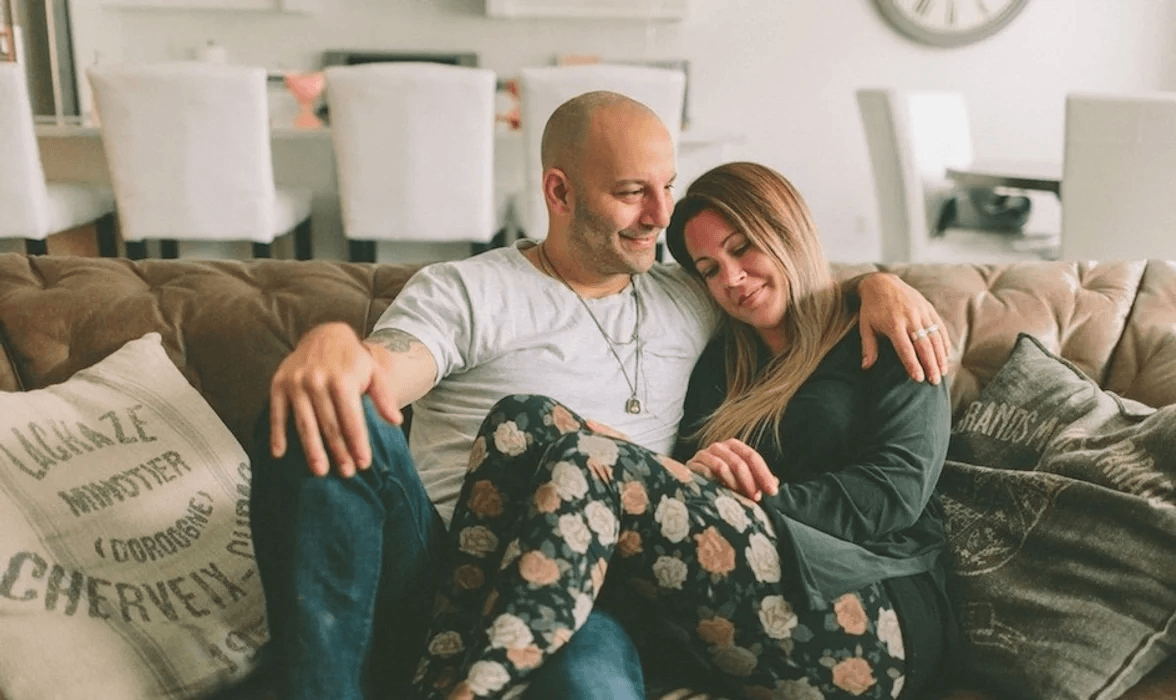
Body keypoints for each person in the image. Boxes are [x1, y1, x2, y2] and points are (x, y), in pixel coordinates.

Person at [251, 92, 953, 700]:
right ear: (560, 194)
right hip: (435, 562)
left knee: (587, 675)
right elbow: (384, 372)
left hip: (600, 582)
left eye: (665, 188)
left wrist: (881, 286)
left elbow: (789, 278)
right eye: (629, 193)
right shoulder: (468, 289)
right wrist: (335, 344)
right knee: (338, 408)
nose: (658, 217)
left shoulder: (690, 295)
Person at [403, 161, 957, 700]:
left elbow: (895, 492)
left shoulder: (888, 332)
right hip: (745, 591)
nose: (732, 279)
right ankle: (438, 681)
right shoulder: (721, 362)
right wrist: (700, 482)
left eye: (742, 248)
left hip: (869, 608)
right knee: (521, 421)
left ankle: (478, 689)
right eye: (709, 268)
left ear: (788, 230)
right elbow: (689, 492)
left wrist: (756, 505)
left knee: (594, 461)